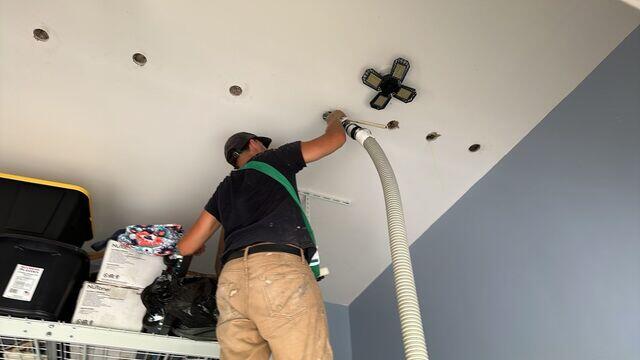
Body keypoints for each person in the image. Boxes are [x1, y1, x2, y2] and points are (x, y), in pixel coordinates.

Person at [176, 110, 348, 360]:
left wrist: (198, 245)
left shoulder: (224, 189)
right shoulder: (273, 159)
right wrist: (335, 119)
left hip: (231, 283)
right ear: (254, 144)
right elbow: (335, 141)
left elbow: (186, 247)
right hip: (277, 270)